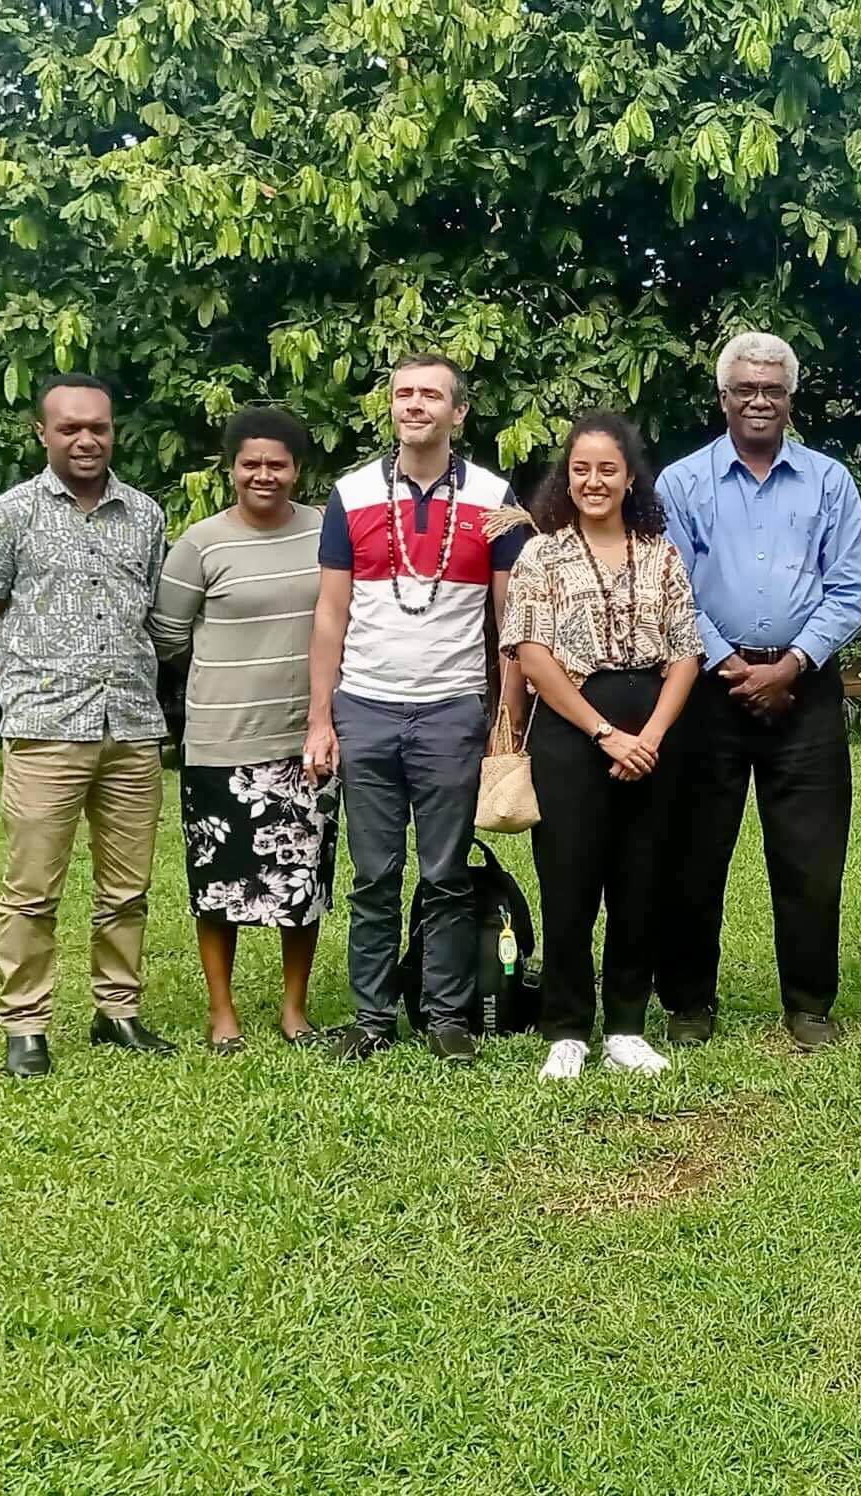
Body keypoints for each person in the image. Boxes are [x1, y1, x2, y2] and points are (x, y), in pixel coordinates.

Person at [302, 355, 532, 1067]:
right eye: (404, 394)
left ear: (458, 412)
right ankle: (371, 1018)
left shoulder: (494, 497)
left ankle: (447, 1016)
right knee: (373, 875)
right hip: (364, 706)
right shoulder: (352, 493)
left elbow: (510, 621)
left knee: (445, 874)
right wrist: (320, 719)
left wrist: (504, 719)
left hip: (451, 711)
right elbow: (330, 614)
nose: (415, 405)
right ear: (391, 408)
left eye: (431, 394)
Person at [657, 332, 861, 1050]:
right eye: (745, 389)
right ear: (723, 398)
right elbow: (672, 590)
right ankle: (689, 1003)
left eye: (771, 390)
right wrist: (731, 665)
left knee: (810, 855)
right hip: (706, 689)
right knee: (693, 851)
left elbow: (849, 590)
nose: (758, 401)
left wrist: (793, 665)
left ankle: (809, 1003)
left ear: (789, 398)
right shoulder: (680, 484)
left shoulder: (829, 481)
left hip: (803, 688)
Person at [0, 372, 176, 1078]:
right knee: (32, 889)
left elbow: (149, 614)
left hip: (132, 728)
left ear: (114, 432)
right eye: (71, 428)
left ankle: (118, 1012)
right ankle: (25, 1026)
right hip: (46, 725)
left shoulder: (144, 515)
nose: (87, 439)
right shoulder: (7, 513)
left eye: (99, 427)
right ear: (43, 433)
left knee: (127, 888)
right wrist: (13, 699)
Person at [506, 412, 703, 1080]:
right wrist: (604, 732)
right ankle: (565, 1027)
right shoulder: (542, 553)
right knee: (569, 880)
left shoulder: (661, 552)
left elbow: (684, 655)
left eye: (607, 469)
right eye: (581, 469)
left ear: (629, 477)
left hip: (651, 734)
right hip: (573, 732)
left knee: (640, 881)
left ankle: (625, 1025)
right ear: (568, 476)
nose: (593, 481)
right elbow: (532, 656)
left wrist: (648, 735)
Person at [149, 405, 335, 1055]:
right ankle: (222, 1013)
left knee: (301, 882)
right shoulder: (201, 542)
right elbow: (169, 633)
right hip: (219, 737)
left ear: (297, 469)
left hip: (306, 737)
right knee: (217, 882)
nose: (264, 474)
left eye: (277, 464)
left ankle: (294, 1009)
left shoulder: (325, 531)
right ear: (231, 469)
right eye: (251, 463)